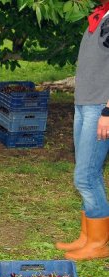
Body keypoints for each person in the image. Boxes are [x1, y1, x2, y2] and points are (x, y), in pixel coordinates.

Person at [55, 0, 109, 260]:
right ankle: (87, 237)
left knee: (85, 176)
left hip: (100, 108)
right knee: (90, 173)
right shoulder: (100, 15)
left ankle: (99, 244)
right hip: (84, 105)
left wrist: (108, 111)